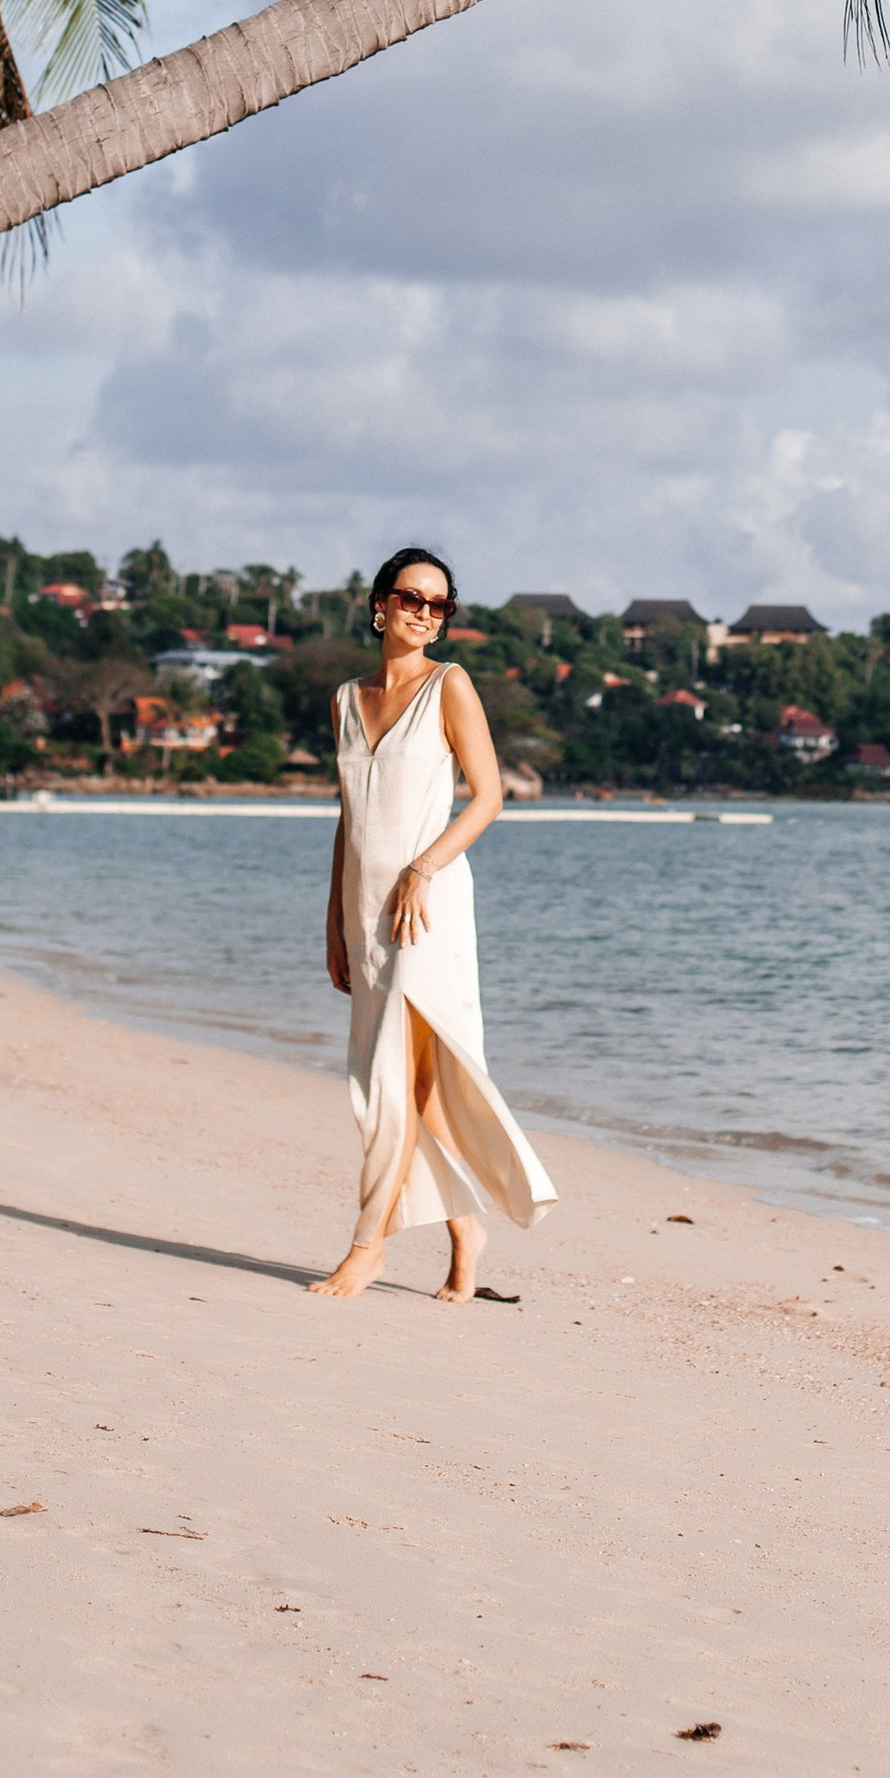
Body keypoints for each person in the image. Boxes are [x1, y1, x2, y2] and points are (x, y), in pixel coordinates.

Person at [309, 547, 555, 1302]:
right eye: (411, 598)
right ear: (380, 604)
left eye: (438, 604)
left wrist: (423, 868)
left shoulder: (450, 685)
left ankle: (368, 1247)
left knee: (395, 1079)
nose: (424, 612)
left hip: (428, 906)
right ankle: (465, 1230)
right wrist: (333, 921)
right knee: (407, 1085)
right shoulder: (346, 700)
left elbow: (488, 797)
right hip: (365, 910)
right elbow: (350, 819)